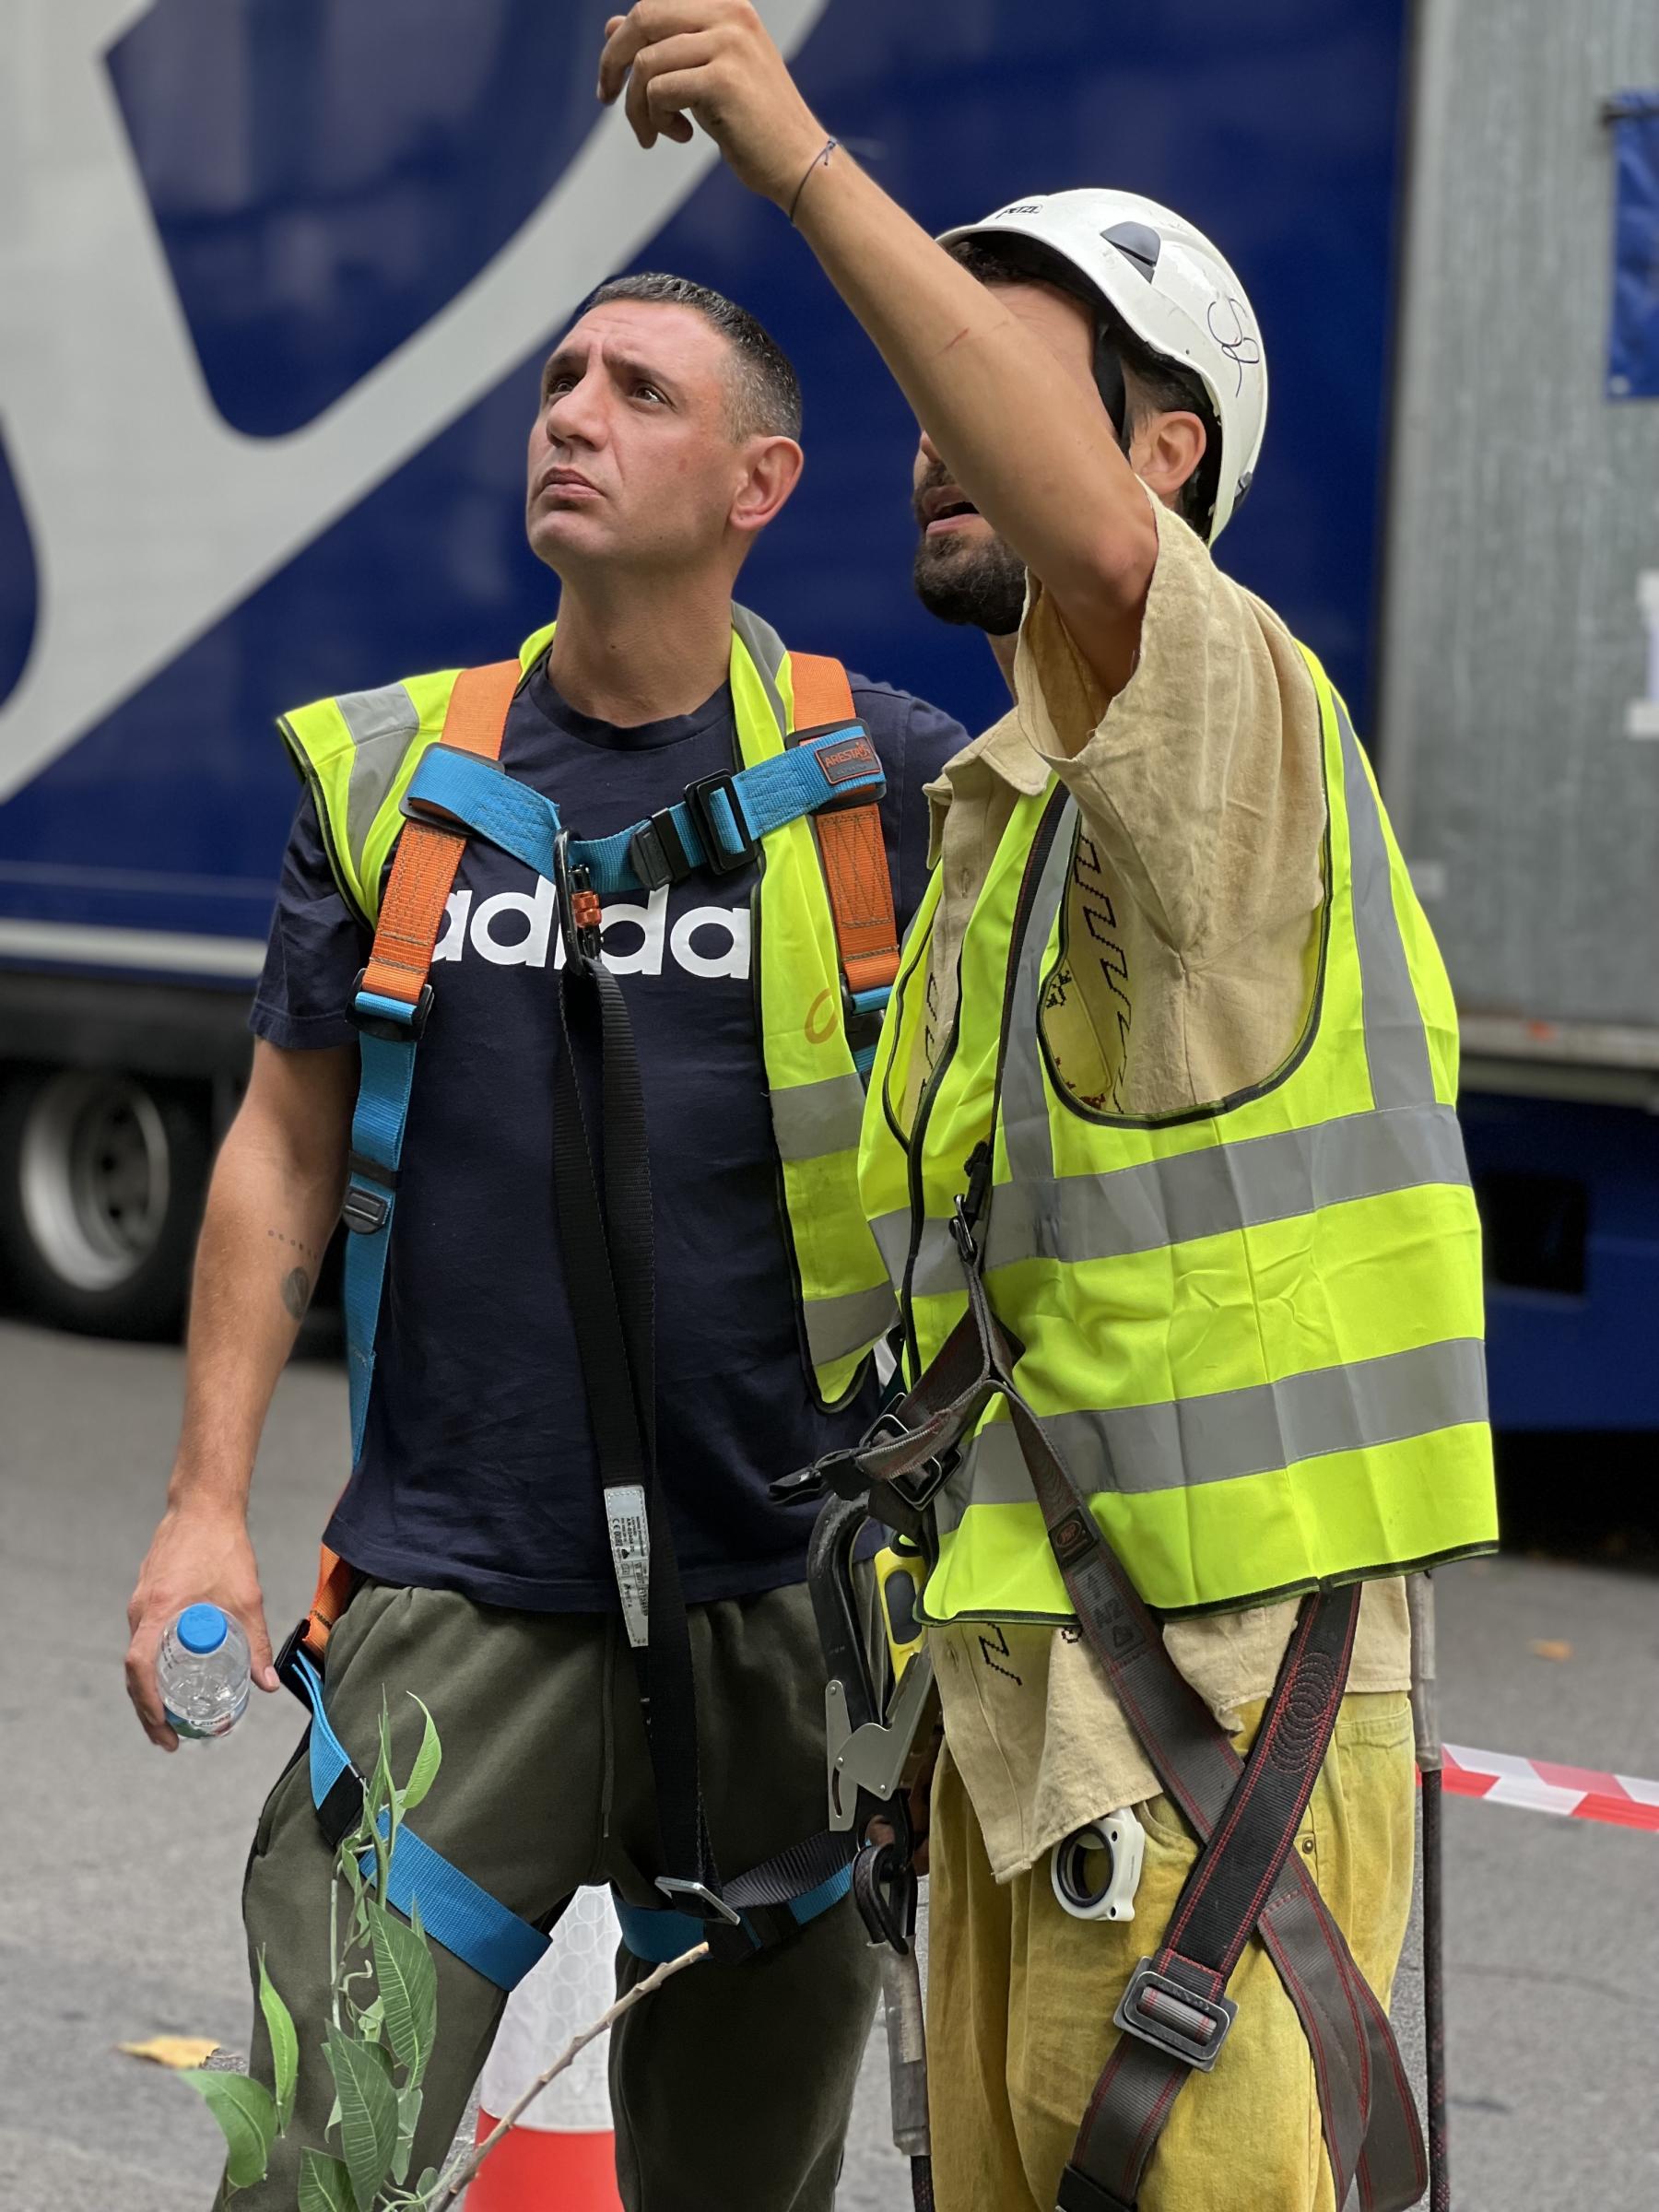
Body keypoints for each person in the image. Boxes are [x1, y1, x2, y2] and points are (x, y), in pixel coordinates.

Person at [594, 12, 1500, 2211]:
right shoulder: (1009, 836)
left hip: (1210, 1739)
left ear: (1164, 457)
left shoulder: (1235, 725)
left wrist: (802, 159)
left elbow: (1100, 572)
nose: (928, 428)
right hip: (1033, 1728)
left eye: (986, 379)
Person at [123, 269, 968, 2210]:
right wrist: (201, 1507)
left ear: (762, 478)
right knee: (313, 2172)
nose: (571, 412)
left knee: (746, 2189)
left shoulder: (887, 784)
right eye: (562, 375)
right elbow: (280, 1140)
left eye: (639, 391)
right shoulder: (395, 775)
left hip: (790, 1613)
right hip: (452, 1604)